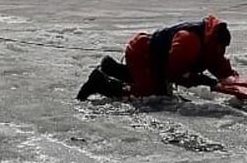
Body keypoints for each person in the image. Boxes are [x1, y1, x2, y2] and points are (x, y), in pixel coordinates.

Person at [77, 15, 237, 100]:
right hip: (142, 53)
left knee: (159, 91)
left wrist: (232, 81)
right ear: (215, 42)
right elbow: (174, 73)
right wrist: (204, 80)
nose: (222, 51)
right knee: (148, 96)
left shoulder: (208, 44)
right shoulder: (189, 41)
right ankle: (99, 83)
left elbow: (219, 66)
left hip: (153, 58)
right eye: (221, 47)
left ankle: (112, 68)